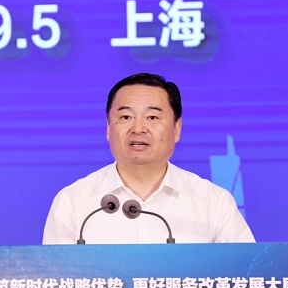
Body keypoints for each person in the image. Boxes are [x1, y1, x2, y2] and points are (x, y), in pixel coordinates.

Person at [42, 73, 255, 244]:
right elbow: (54, 281)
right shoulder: (73, 202)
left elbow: (248, 276)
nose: (138, 128)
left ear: (177, 129)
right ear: (108, 128)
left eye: (152, 117)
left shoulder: (213, 202)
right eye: (126, 117)